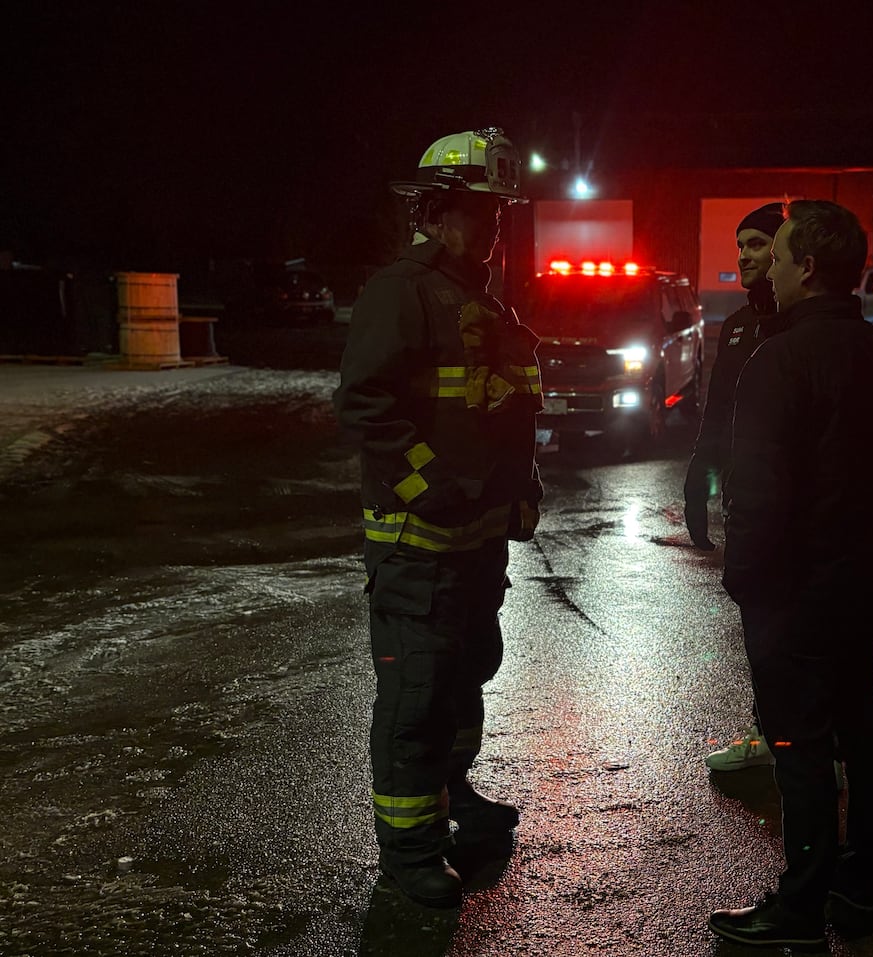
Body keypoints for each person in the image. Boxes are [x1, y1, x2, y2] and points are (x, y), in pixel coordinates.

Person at [332, 127, 544, 909]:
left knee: (464, 679)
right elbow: (366, 404)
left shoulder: (479, 297)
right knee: (416, 696)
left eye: (497, 212)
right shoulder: (404, 290)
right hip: (417, 544)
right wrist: (430, 487)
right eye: (478, 210)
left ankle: (454, 799)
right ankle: (411, 850)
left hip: (476, 543)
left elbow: (505, 409)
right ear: (437, 209)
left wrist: (523, 486)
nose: (492, 226)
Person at [708, 199, 873, 948]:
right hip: (859, 571)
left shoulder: (781, 357)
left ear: (809, 267)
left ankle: (797, 909)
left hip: (793, 588)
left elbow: (758, 492)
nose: (772, 268)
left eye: (783, 254)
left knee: (797, 747)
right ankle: (857, 889)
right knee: (862, 729)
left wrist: (747, 580)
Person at [683, 202, 785, 773]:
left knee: (790, 627)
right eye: (740, 244)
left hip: (792, 507)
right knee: (758, 621)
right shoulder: (739, 326)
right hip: (746, 503)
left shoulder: (800, 325)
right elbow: (719, 410)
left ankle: (804, 742)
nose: (743, 255)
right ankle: (772, 732)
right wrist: (701, 468)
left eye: (755, 244)